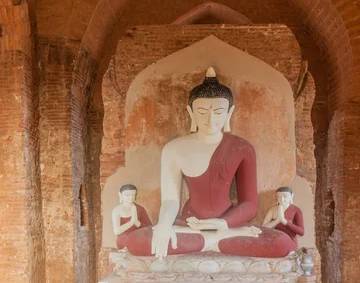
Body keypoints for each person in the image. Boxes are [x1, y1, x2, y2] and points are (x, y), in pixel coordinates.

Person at [125, 67, 293, 258]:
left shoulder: (242, 148)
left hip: (228, 224)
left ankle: (209, 240)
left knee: (281, 243)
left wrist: (223, 224)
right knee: (136, 241)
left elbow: (249, 204)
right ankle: (215, 241)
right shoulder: (174, 149)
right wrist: (164, 225)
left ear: (229, 113)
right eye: (202, 111)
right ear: (191, 112)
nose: (210, 119)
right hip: (189, 225)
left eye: (219, 112)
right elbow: (171, 200)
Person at [262, 187, 304, 251]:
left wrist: (285, 222)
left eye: (285, 196)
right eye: (279, 197)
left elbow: (301, 232)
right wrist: (277, 220)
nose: (282, 199)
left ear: (291, 196)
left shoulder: (296, 210)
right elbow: (263, 228)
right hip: (274, 240)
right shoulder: (272, 209)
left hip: (289, 242)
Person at [111, 184, 152, 250]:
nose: (131, 198)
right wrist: (132, 222)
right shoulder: (116, 210)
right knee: (126, 240)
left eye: (133, 195)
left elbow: (149, 228)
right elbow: (116, 231)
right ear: (120, 195)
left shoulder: (140, 209)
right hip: (124, 239)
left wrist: (138, 223)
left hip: (139, 237)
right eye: (127, 195)